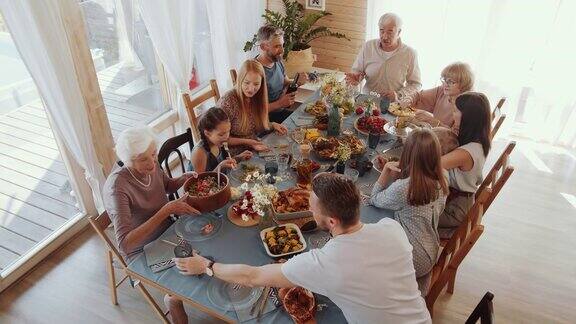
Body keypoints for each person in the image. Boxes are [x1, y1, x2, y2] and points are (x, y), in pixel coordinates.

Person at [174, 173, 431, 324]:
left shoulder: (323, 263)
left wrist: (206, 266)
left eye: (312, 207)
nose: (308, 209)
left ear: (331, 221)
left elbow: (252, 277)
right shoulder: (391, 228)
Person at [103, 126, 200, 324]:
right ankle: (172, 299)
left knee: (209, 242)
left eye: (153, 155)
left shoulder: (152, 162)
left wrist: (182, 179)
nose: (152, 162)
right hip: (142, 248)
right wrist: (166, 210)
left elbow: (166, 185)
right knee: (179, 286)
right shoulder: (118, 187)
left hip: (168, 230)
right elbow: (125, 244)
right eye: (143, 159)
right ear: (129, 161)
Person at [370, 129, 449, 294]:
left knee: (366, 248)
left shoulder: (404, 188)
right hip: (431, 247)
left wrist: (385, 171)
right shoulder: (443, 176)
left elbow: (375, 199)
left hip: (413, 260)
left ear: (407, 155)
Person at [439, 92, 492, 236]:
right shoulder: (478, 141)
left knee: (403, 206)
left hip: (453, 209)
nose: (453, 113)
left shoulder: (466, 153)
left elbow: (430, 164)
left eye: (456, 110)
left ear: (468, 117)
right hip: (457, 201)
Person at [217, 59, 288, 155]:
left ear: (262, 83)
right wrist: (249, 142)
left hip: (254, 147)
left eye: (256, 84)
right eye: (246, 83)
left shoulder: (257, 96)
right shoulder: (227, 102)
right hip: (234, 156)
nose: (251, 89)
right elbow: (219, 139)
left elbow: (255, 126)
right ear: (240, 79)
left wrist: (272, 125)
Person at [346, 13, 421, 101]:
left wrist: (399, 95)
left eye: (390, 32)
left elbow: (415, 84)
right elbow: (357, 71)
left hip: (392, 106)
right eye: (381, 31)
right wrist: (356, 79)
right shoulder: (368, 46)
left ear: (399, 32)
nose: (385, 36)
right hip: (367, 102)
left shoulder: (409, 53)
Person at [411, 62, 475, 133]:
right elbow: (418, 96)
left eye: (451, 81)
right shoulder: (442, 90)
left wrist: (434, 122)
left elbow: (455, 137)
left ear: (464, 83)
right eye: (444, 79)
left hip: (446, 142)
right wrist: (406, 100)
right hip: (434, 136)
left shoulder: (466, 106)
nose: (445, 84)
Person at [255, 25, 300, 123]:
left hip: (279, 113)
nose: (282, 50)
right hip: (263, 121)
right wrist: (280, 103)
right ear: (263, 46)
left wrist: (298, 81)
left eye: (282, 45)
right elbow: (253, 111)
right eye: (277, 46)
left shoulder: (277, 61)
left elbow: (285, 81)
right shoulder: (254, 71)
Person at [190, 107, 253, 172]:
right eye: (221, 134)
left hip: (220, 178)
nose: (226, 137)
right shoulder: (199, 153)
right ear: (207, 133)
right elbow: (200, 181)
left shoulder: (218, 142)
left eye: (228, 131)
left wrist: (239, 157)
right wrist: (220, 167)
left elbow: (224, 162)